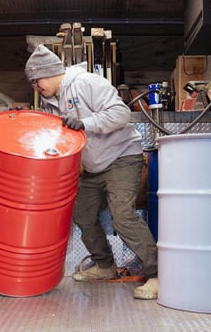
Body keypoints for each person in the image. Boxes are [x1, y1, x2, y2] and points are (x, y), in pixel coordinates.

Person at [24, 44, 159, 300]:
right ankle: (105, 266)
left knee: (122, 216)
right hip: (95, 167)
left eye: (36, 80)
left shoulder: (87, 83)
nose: (35, 87)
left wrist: (86, 123)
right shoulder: (49, 102)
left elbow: (121, 114)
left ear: (50, 72)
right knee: (82, 215)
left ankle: (158, 274)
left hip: (121, 156)